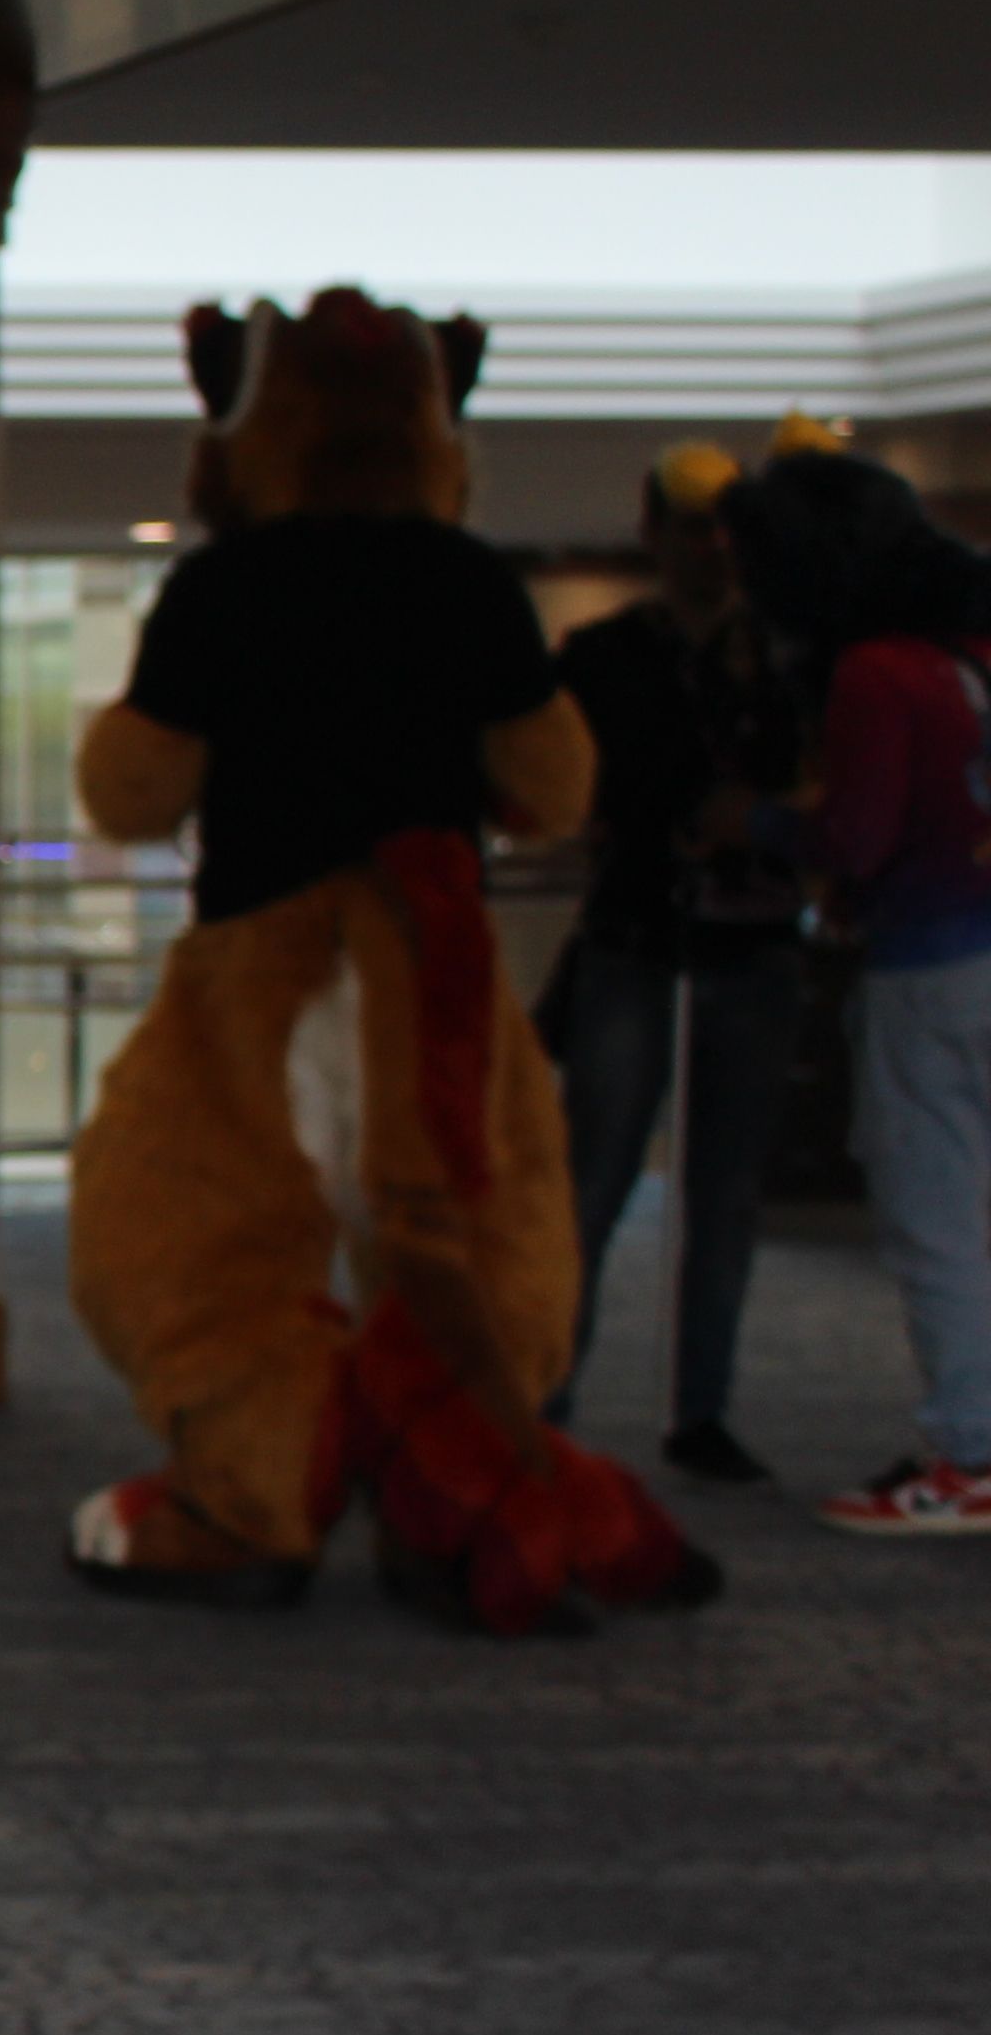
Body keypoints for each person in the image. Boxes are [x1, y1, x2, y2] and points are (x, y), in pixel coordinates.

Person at [66, 287, 707, 1631]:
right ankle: (463, 1502)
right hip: (435, 966)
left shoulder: (222, 586)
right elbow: (551, 781)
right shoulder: (469, 581)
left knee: (199, 1227)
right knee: (476, 1233)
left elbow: (132, 789)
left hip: (263, 967)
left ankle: (255, 1492)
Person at [719, 437, 991, 1530]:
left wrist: (760, 822)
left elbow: (860, 837)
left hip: (931, 968)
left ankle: (972, 1453)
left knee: (937, 1217)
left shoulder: (876, 672)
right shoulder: (976, 651)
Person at [542, 442, 806, 1481]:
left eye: (725, 530)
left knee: (726, 1193)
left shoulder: (783, 660)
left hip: (750, 948)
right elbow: (571, 791)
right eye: (693, 528)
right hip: (637, 940)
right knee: (591, 1182)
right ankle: (546, 1394)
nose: (711, 549)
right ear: (653, 532)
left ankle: (701, 1410)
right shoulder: (603, 657)